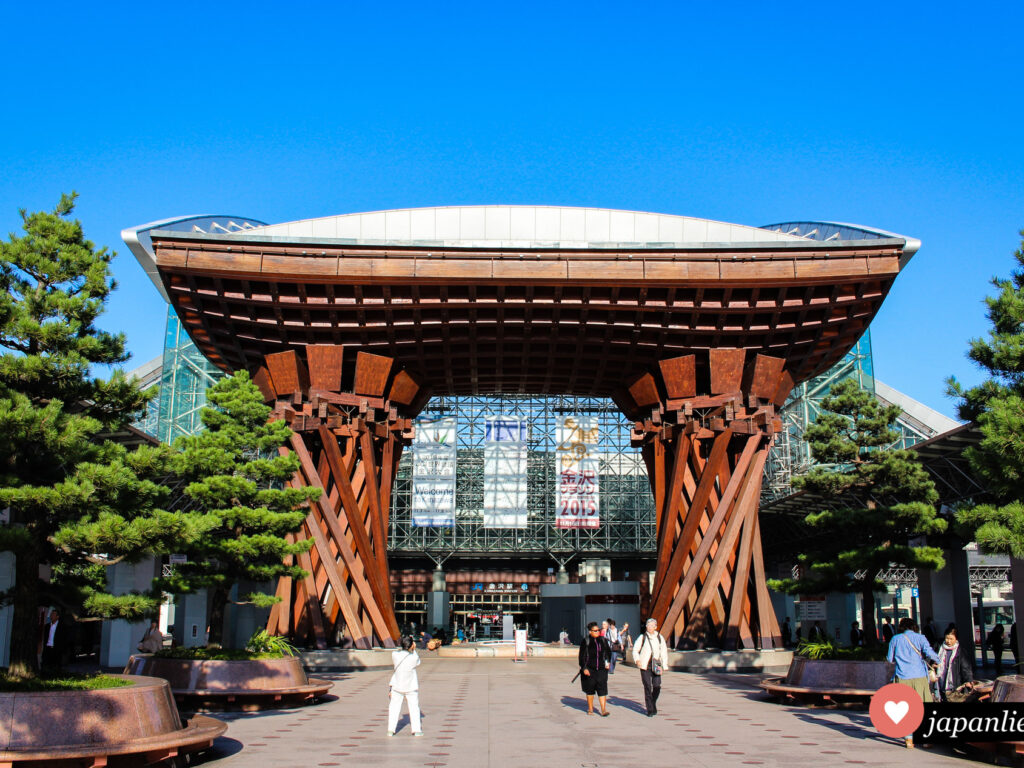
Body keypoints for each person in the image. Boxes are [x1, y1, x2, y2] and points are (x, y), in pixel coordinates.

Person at [887, 618, 939, 748]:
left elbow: (889, 658)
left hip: (902, 676)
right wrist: (937, 660)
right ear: (914, 627)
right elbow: (929, 652)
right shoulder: (921, 638)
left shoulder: (895, 639)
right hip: (919, 676)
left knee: (905, 708)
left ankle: (909, 738)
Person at [387, 635, 423, 737]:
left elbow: (398, 652)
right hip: (410, 686)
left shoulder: (394, 655)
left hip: (397, 685)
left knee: (394, 708)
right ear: (412, 645)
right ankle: (416, 730)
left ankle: (391, 730)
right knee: (414, 708)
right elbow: (418, 662)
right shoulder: (414, 657)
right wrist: (414, 649)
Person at [634, 617, 669, 717]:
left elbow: (663, 651)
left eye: (651, 626)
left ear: (655, 627)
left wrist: (664, 665)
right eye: (648, 626)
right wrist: (637, 660)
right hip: (645, 665)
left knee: (657, 686)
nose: (649, 627)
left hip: (656, 664)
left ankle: (652, 703)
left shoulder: (659, 637)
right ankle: (650, 709)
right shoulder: (642, 637)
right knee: (647, 686)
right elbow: (635, 650)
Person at [578, 621, 612, 716]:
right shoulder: (586, 641)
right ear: (590, 632)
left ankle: (603, 710)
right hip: (590, 670)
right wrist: (584, 668)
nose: (597, 632)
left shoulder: (603, 640)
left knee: (602, 690)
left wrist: (608, 662)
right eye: (595, 630)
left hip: (601, 670)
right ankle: (590, 709)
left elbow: (608, 653)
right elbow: (581, 656)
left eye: (598, 630)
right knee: (590, 690)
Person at [934, 627, 974, 702]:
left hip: (954, 685)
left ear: (956, 639)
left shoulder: (960, 651)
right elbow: (930, 661)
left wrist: (969, 680)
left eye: (951, 639)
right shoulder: (939, 648)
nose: (948, 641)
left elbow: (966, 667)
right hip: (939, 683)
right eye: (947, 638)